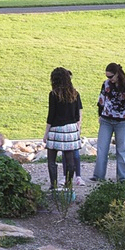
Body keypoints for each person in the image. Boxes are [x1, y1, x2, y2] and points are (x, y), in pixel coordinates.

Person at [44, 67, 83, 201]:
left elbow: (51, 115)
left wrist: (46, 133)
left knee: (51, 160)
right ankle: (69, 185)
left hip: (56, 129)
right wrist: (78, 128)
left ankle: (54, 186)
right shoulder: (75, 93)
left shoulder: (53, 94)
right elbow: (78, 114)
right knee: (70, 160)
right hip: (71, 129)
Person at [93, 62, 125, 182]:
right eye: (107, 77)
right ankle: (98, 176)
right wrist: (100, 115)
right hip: (106, 120)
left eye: (111, 77)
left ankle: (123, 177)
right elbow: (101, 101)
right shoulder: (106, 84)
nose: (109, 79)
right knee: (102, 148)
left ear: (117, 74)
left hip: (122, 122)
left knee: (122, 150)